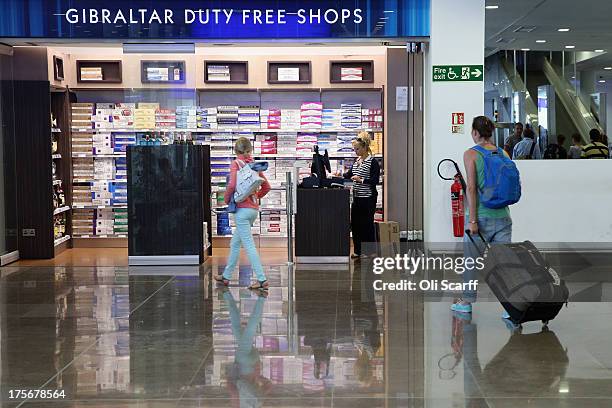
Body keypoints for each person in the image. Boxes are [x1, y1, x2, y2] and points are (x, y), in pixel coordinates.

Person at [451, 116, 512, 316]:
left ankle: (467, 302)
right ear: (491, 133)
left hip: (481, 217)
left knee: (471, 262)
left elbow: (471, 188)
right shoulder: (502, 152)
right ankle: (510, 307)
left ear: (475, 133)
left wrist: (473, 220)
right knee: (504, 264)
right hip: (503, 217)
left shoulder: (471, 154)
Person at [215, 137, 271, 290]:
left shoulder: (236, 164)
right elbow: (267, 187)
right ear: (250, 150)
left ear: (236, 150)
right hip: (252, 210)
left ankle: (261, 279)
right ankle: (226, 276)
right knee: (235, 243)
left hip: (241, 211)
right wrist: (255, 197)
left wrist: (227, 199)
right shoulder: (254, 165)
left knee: (249, 245)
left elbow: (232, 184)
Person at [341, 132, 381, 259]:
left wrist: (361, 180)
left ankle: (370, 252)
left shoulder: (372, 162)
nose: (356, 151)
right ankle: (358, 250)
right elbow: (348, 175)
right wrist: (338, 175)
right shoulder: (357, 161)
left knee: (367, 224)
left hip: (368, 199)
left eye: (357, 149)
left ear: (365, 147)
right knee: (356, 224)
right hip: (357, 198)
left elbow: (375, 180)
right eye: (354, 149)